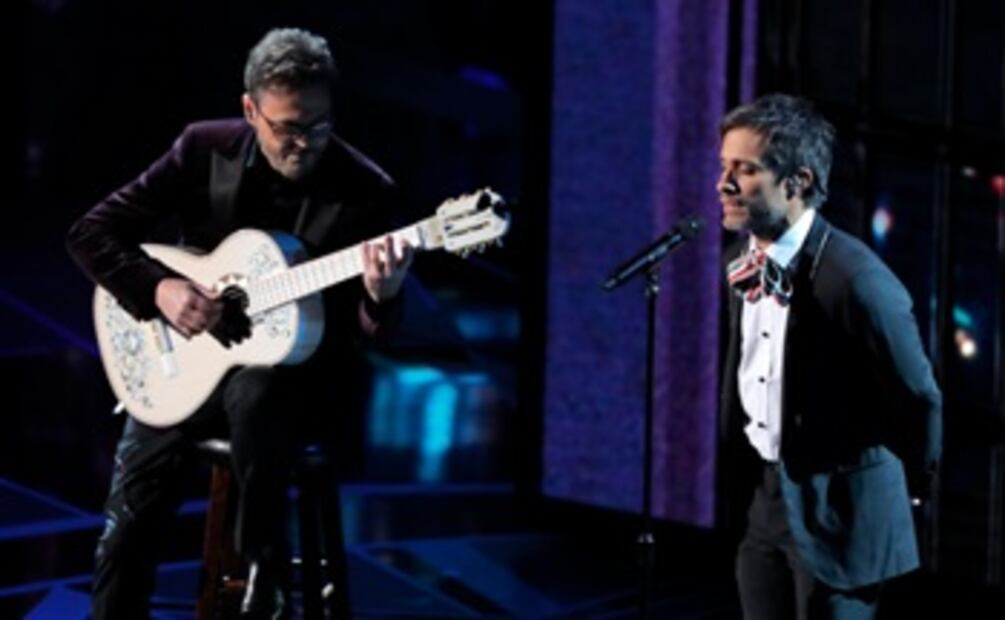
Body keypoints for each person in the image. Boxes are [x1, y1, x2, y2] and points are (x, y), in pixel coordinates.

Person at [67, 28, 412, 619]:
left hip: (298, 385)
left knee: (259, 388)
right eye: (288, 129)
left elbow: (368, 337)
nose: (305, 144)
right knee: (129, 525)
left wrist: (380, 299)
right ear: (251, 110)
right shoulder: (204, 148)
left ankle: (263, 571)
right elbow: (90, 233)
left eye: (320, 126)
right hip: (186, 360)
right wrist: (160, 288)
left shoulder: (365, 189)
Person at [716, 94, 942, 619]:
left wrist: (910, 492)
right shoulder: (740, 261)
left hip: (842, 512)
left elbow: (919, 396)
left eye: (745, 170)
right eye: (724, 166)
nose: (723, 184)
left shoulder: (856, 280)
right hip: (765, 503)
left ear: (798, 182)